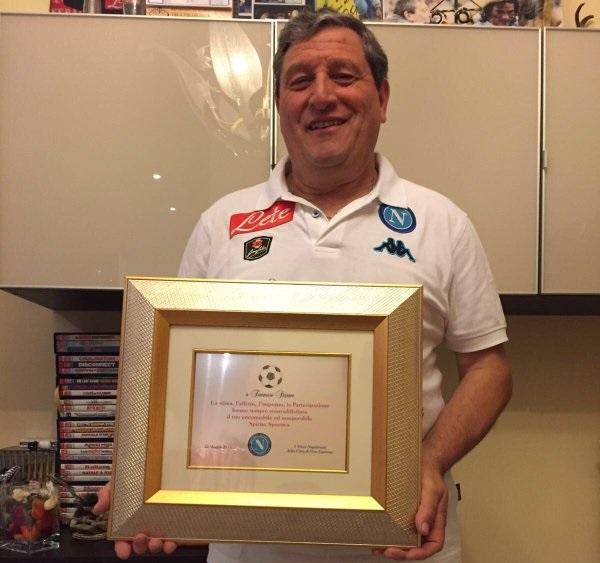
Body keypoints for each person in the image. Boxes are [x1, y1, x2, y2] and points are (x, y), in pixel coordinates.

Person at [94, 8, 512, 562]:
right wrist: (146, 476)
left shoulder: (442, 223)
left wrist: (429, 460)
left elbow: (488, 368)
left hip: (400, 541)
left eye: (343, 75)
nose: (321, 96)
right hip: (248, 547)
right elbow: (172, 372)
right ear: (280, 106)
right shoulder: (222, 224)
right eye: (299, 81)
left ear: (382, 98)